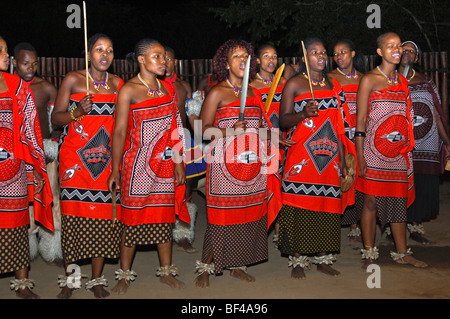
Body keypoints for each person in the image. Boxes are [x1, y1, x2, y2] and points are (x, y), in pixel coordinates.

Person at [194, 39, 293, 288]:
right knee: (221, 217)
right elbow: (202, 131)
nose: (241, 61)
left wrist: (274, 137)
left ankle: (237, 265)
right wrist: (228, 131)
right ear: (225, 64)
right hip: (224, 166)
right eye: (236, 57)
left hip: (251, 165)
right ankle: (206, 266)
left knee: (247, 215)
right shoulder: (217, 92)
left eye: (245, 57)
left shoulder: (254, 93)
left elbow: (259, 127)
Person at [107, 39, 189, 294]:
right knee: (132, 220)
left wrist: (178, 162)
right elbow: (119, 131)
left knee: (164, 218)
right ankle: (124, 275)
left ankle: (166, 271)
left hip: (164, 164)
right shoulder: (128, 90)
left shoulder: (168, 90)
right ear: (141, 59)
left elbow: (176, 126)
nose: (163, 61)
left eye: (164, 57)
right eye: (157, 56)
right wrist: (115, 169)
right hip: (137, 166)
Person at [51, 33, 124, 299]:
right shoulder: (73, 79)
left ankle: (96, 280)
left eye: (110, 50)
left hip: (105, 162)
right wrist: (76, 112)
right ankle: (71, 280)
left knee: (103, 220)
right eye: (99, 49)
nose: (105, 54)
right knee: (73, 221)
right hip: (74, 160)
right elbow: (56, 119)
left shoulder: (118, 84)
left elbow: (121, 127)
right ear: (88, 53)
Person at [278, 37, 354, 279]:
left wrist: (342, 157)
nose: (321, 56)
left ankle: (323, 258)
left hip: (329, 155)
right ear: (304, 58)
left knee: (326, 206)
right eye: (314, 52)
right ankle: (298, 260)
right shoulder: (294, 84)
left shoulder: (334, 86)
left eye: (323, 53)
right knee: (300, 203)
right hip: (302, 153)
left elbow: (339, 126)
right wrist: (302, 114)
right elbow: (283, 120)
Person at [355, 32, 427, 269]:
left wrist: (407, 150)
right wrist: (360, 155)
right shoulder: (369, 80)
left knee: (398, 200)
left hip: (398, 153)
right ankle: (368, 250)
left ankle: (402, 251)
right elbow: (362, 120)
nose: (397, 50)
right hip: (373, 152)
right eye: (390, 46)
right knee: (371, 202)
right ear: (379, 52)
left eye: (399, 46)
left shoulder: (402, 81)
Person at [0, 35, 54, 299]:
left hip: (14, 169)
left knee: (16, 222)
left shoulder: (17, 86)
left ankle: (22, 283)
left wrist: (34, 166)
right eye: (0, 50)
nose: (5, 55)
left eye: (6, 50)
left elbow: (30, 130)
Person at [12, 42, 62, 264]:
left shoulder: (46, 87)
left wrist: (52, 146)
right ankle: (25, 251)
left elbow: (58, 121)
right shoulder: (7, 87)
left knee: (51, 198)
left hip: (44, 152)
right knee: (24, 201)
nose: (30, 67)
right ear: (14, 63)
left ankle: (53, 249)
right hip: (15, 153)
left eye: (34, 63)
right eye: (25, 63)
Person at [398, 40, 450, 244]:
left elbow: (437, 114)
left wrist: (447, 141)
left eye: (412, 51)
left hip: (425, 143)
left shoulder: (426, 82)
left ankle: (415, 226)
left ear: (417, 58)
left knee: (420, 184)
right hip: (398, 144)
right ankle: (396, 225)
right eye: (404, 49)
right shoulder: (388, 81)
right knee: (399, 185)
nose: (407, 53)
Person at [162, 46, 204, 253]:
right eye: (162, 58)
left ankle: (183, 235)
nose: (166, 62)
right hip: (159, 143)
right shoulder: (151, 86)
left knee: (186, 188)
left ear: (175, 62)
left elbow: (191, 117)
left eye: (169, 58)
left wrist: (204, 132)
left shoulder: (184, 86)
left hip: (183, 140)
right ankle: (161, 234)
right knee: (162, 190)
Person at [250, 43, 288, 248]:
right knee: (265, 186)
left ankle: (281, 232)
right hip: (262, 142)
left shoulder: (284, 83)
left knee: (283, 185)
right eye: (266, 56)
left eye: (274, 56)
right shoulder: (250, 85)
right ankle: (259, 232)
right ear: (257, 60)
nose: (271, 60)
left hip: (284, 139)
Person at [328, 39, 366, 243]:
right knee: (341, 177)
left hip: (360, 135)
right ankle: (333, 225)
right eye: (335, 53)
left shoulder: (364, 78)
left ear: (352, 53)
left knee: (359, 179)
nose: (338, 56)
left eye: (343, 52)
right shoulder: (330, 78)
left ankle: (355, 226)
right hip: (339, 134)